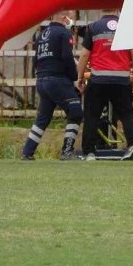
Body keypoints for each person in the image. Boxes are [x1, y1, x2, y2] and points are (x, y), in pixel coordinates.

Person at [75, 8, 133, 161]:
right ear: (119, 10)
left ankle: (89, 152)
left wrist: (80, 77)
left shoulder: (93, 27)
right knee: (126, 114)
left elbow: (84, 54)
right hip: (121, 79)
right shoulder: (128, 27)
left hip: (98, 79)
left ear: (101, 10)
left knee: (92, 115)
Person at [22, 10, 83, 161]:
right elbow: (67, 57)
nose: (71, 21)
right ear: (64, 18)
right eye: (70, 17)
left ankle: (27, 152)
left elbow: (36, 60)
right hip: (58, 79)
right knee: (75, 111)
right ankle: (67, 151)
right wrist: (74, 78)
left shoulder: (42, 34)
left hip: (42, 80)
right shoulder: (63, 33)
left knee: (43, 117)